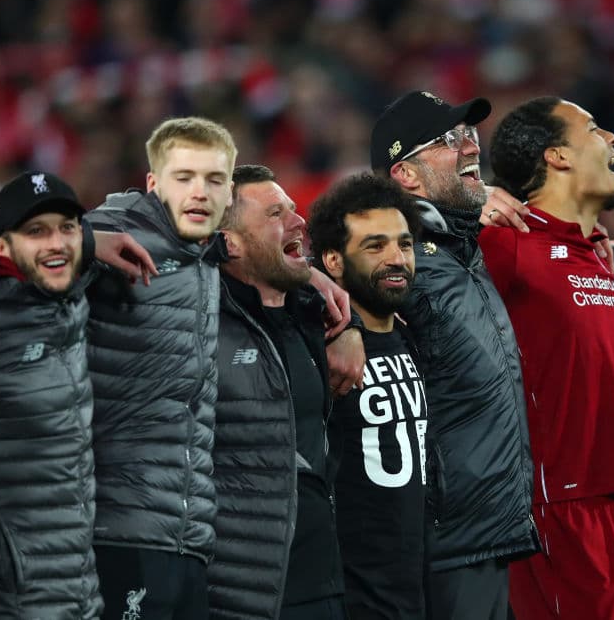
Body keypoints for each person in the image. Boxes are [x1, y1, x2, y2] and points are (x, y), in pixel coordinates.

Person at [482, 96, 614, 620]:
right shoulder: (507, 242)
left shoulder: (595, 252)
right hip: (558, 508)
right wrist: (470, 204)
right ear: (557, 156)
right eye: (594, 130)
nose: (612, 140)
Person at [371, 90, 538, 619]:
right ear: (406, 176)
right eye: (450, 140)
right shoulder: (397, 254)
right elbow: (324, 271)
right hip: (441, 539)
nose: (471, 146)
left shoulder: (463, 249)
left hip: (490, 530)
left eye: (470, 134)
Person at [84, 116, 237, 620]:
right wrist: (82, 243)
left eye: (214, 179)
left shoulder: (209, 259)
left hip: (188, 538)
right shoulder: (110, 234)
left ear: (230, 191)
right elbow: (7, 259)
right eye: (183, 177)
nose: (200, 192)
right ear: (153, 184)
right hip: (116, 532)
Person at [0, 171, 156, 619]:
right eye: (35, 232)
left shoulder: (70, 297)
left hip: (79, 586)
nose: (55, 244)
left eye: (66, 228)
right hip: (10, 593)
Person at [207, 164, 351, 619]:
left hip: (323, 576)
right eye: (274, 213)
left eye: (291, 207)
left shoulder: (312, 315)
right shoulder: (200, 326)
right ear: (229, 242)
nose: (297, 220)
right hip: (242, 590)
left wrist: (354, 326)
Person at [309, 173, 429, 620]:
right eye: (375, 246)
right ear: (334, 261)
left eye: (405, 244)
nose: (397, 259)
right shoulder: (317, 344)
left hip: (415, 585)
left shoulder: (414, 337)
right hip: (348, 592)